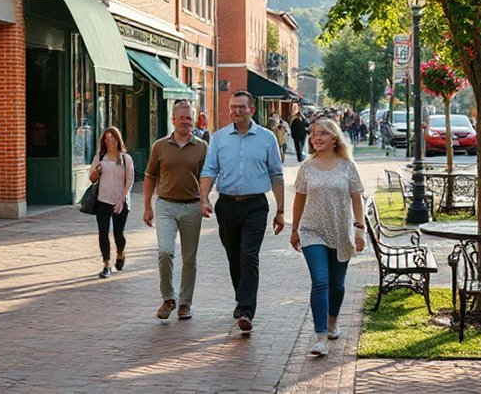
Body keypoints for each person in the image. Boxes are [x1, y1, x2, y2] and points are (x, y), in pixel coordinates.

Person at [200, 90, 285, 334]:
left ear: (252, 110)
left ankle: (246, 309)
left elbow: (276, 175)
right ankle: (242, 299)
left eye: (242, 107)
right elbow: (209, 169)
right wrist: (204, 198)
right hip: (226, 205)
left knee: (249, 255)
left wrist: (281, 210)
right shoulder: (218, 138)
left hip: (255, 205)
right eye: (233, 107)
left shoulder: (267, 138)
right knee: (234, 257)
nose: (237, 111)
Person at [289, 118, 366, 356]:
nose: (316, 138)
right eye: (313, 134)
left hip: (341, 231)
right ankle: (320, 336)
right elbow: (299, 198)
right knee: (320, 281)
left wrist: (359, 228)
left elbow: (356, 197)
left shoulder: (347, 166)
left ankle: (333, 321)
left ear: (334, 138)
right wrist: (295, 229)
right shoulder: (307, 167)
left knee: (337, 286)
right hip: (312, 231)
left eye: (322, 134)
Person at [144, 101, 208, 320]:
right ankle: (168, 298)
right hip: (165, 205)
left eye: (188, 118)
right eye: (181, 118)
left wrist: (205, 200)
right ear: (173, 120)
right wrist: (146, 207)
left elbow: (205, 178)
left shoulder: (201, 146)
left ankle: (185, 303)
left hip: (192, 207)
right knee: (165, 251)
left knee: (190, 258)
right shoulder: (159, 146)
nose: (185, 122)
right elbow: (150, 175)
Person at [89, 126, 134, 279]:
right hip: (103, 200)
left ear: (118, 139)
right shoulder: (100, 157)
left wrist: (122, 199)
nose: (110, 142)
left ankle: (120, 253)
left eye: (113, 139)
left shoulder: (125, 158)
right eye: (107, 140)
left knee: (118, 233)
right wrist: (97, 171)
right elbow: (92, 178)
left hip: (120, 201)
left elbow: (130, 180)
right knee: (103, 232)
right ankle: (106, 265)